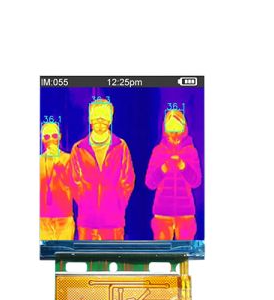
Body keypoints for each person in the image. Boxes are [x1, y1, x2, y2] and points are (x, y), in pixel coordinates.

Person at [69, 99, 135, 240]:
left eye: (104, 119)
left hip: (114, 221)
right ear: (90, 120)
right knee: (88, 253)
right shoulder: (79, 148)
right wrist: (85, 203)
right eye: (96, 119)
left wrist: (118, 204)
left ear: (110, 120)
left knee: (113, 253)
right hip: (87, 221)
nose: (99, 123)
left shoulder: (120, 146)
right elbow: (74, 181)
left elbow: (128, 179)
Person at [145, 109, 202, 240]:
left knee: (185, 251)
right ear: (165, 129)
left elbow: (196, 182)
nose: (174, 134)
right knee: (162, 251)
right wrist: (163, 169)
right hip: (162, 214)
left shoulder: (191, 151)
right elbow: (149, 183)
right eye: (171, 129)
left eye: (177, 129)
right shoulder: (158, 151)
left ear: (184, 129)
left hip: (186, 214)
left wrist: (184, 166)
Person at [39, 121, 75, 240]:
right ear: (42, 139)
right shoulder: (38, 161)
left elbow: (73, 183)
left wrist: (58, 162)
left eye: (54, 135)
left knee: (64, 251)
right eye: (46, 136)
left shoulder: (69, 158)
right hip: (42, 220)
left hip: (64, 218)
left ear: (59, 136)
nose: (51, 139)